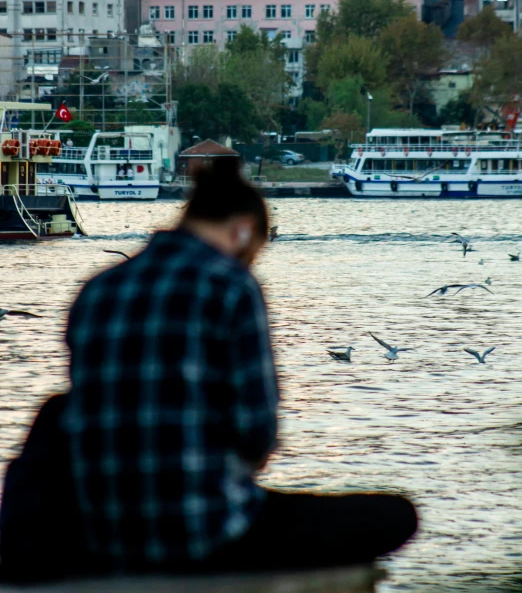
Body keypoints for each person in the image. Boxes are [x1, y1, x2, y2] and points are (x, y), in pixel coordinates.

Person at [1, 160, 417, 581]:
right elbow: (257, 434)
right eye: (255, 249)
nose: (251, 262)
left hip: (105, 534)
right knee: (396, 516)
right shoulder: (231, 286)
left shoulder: (97, 289)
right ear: (242, 230)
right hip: (205, 534)